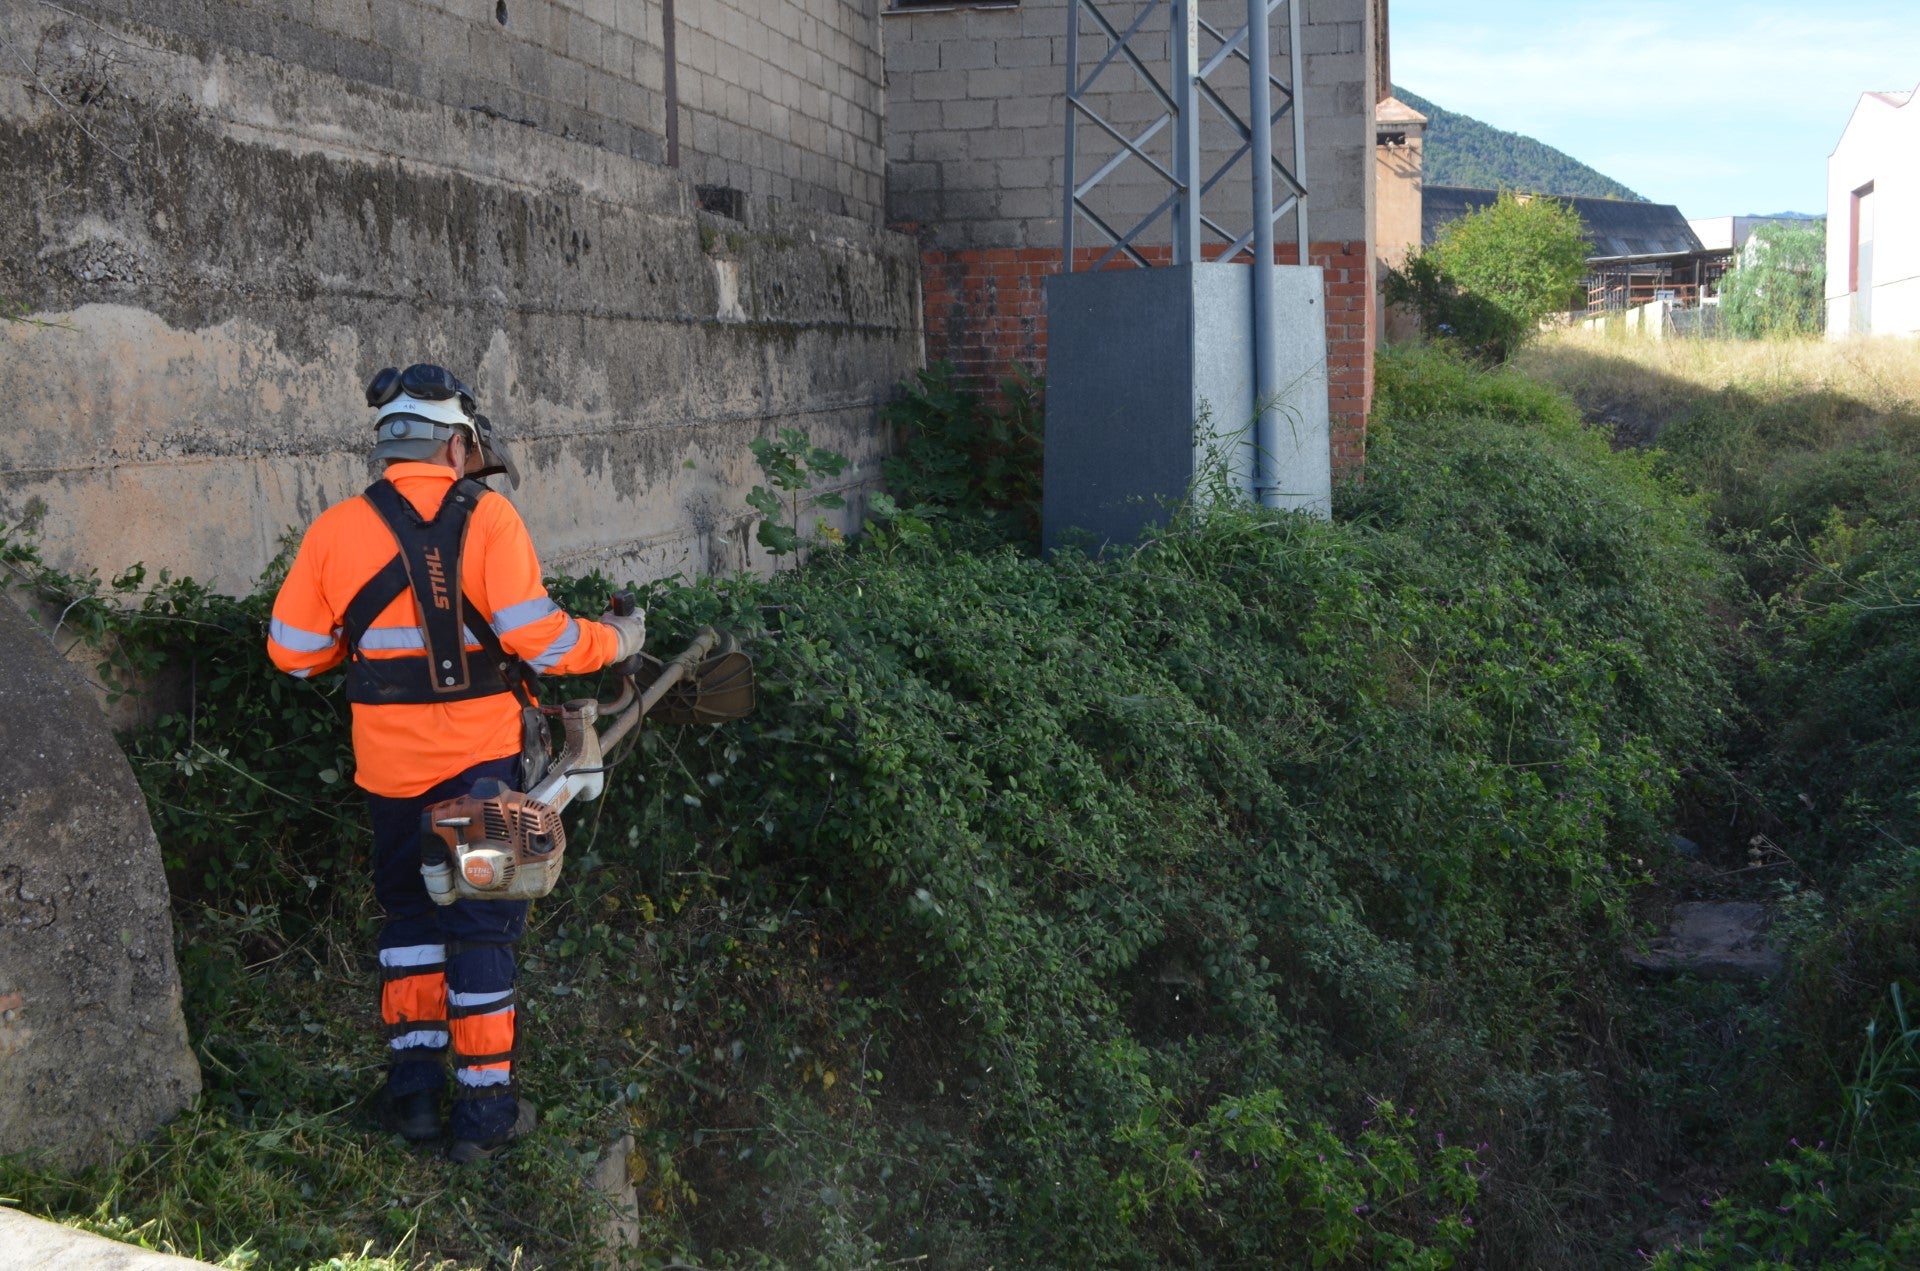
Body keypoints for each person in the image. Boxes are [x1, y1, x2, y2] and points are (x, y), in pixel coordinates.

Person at [266, 364, 645, 1162]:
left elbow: (293, 653)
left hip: (390, 775)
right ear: (455, 441)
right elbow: (539, 637)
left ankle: (413, 1099)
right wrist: (618, 640)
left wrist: (359, 649)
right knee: (482, 929)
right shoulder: (491, 520)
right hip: (480, 765)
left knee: (408, 921)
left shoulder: (336, 527)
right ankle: (483, 1115)